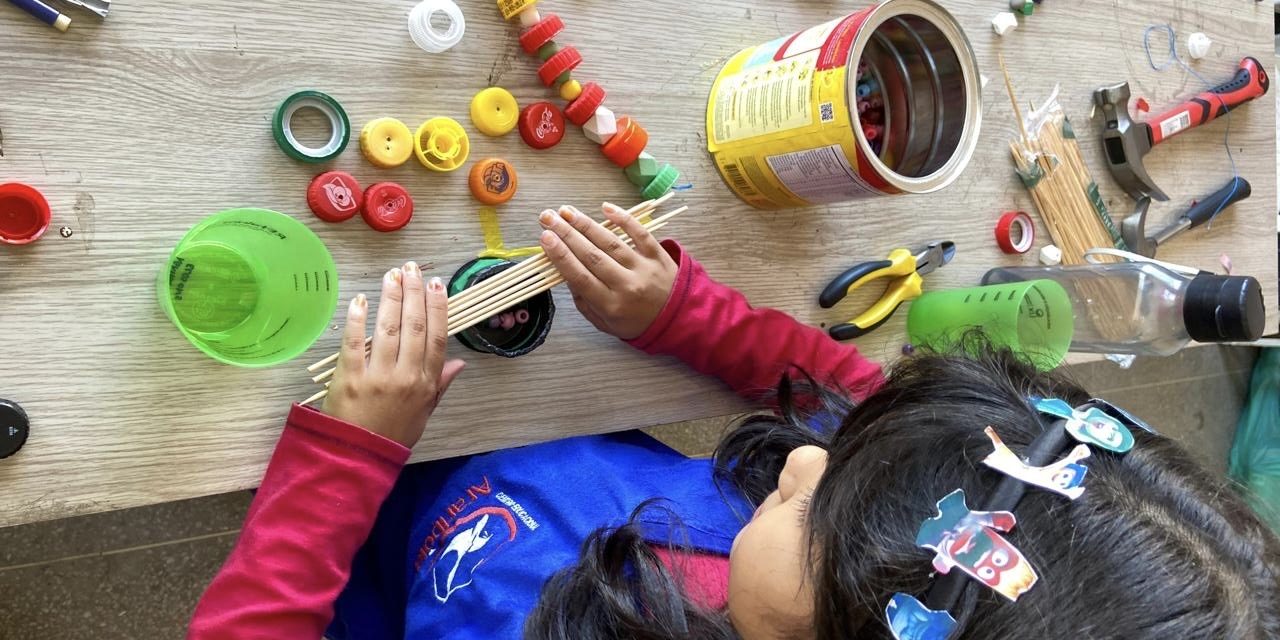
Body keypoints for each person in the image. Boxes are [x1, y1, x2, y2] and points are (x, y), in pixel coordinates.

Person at [188, 204, 1280, 640]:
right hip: (520, 463)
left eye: (818, 507)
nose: (804, 460)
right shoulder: (923, 541)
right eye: (849, 456)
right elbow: (857, 399)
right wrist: (687, 316)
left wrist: (345, 461)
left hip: (376, 571)